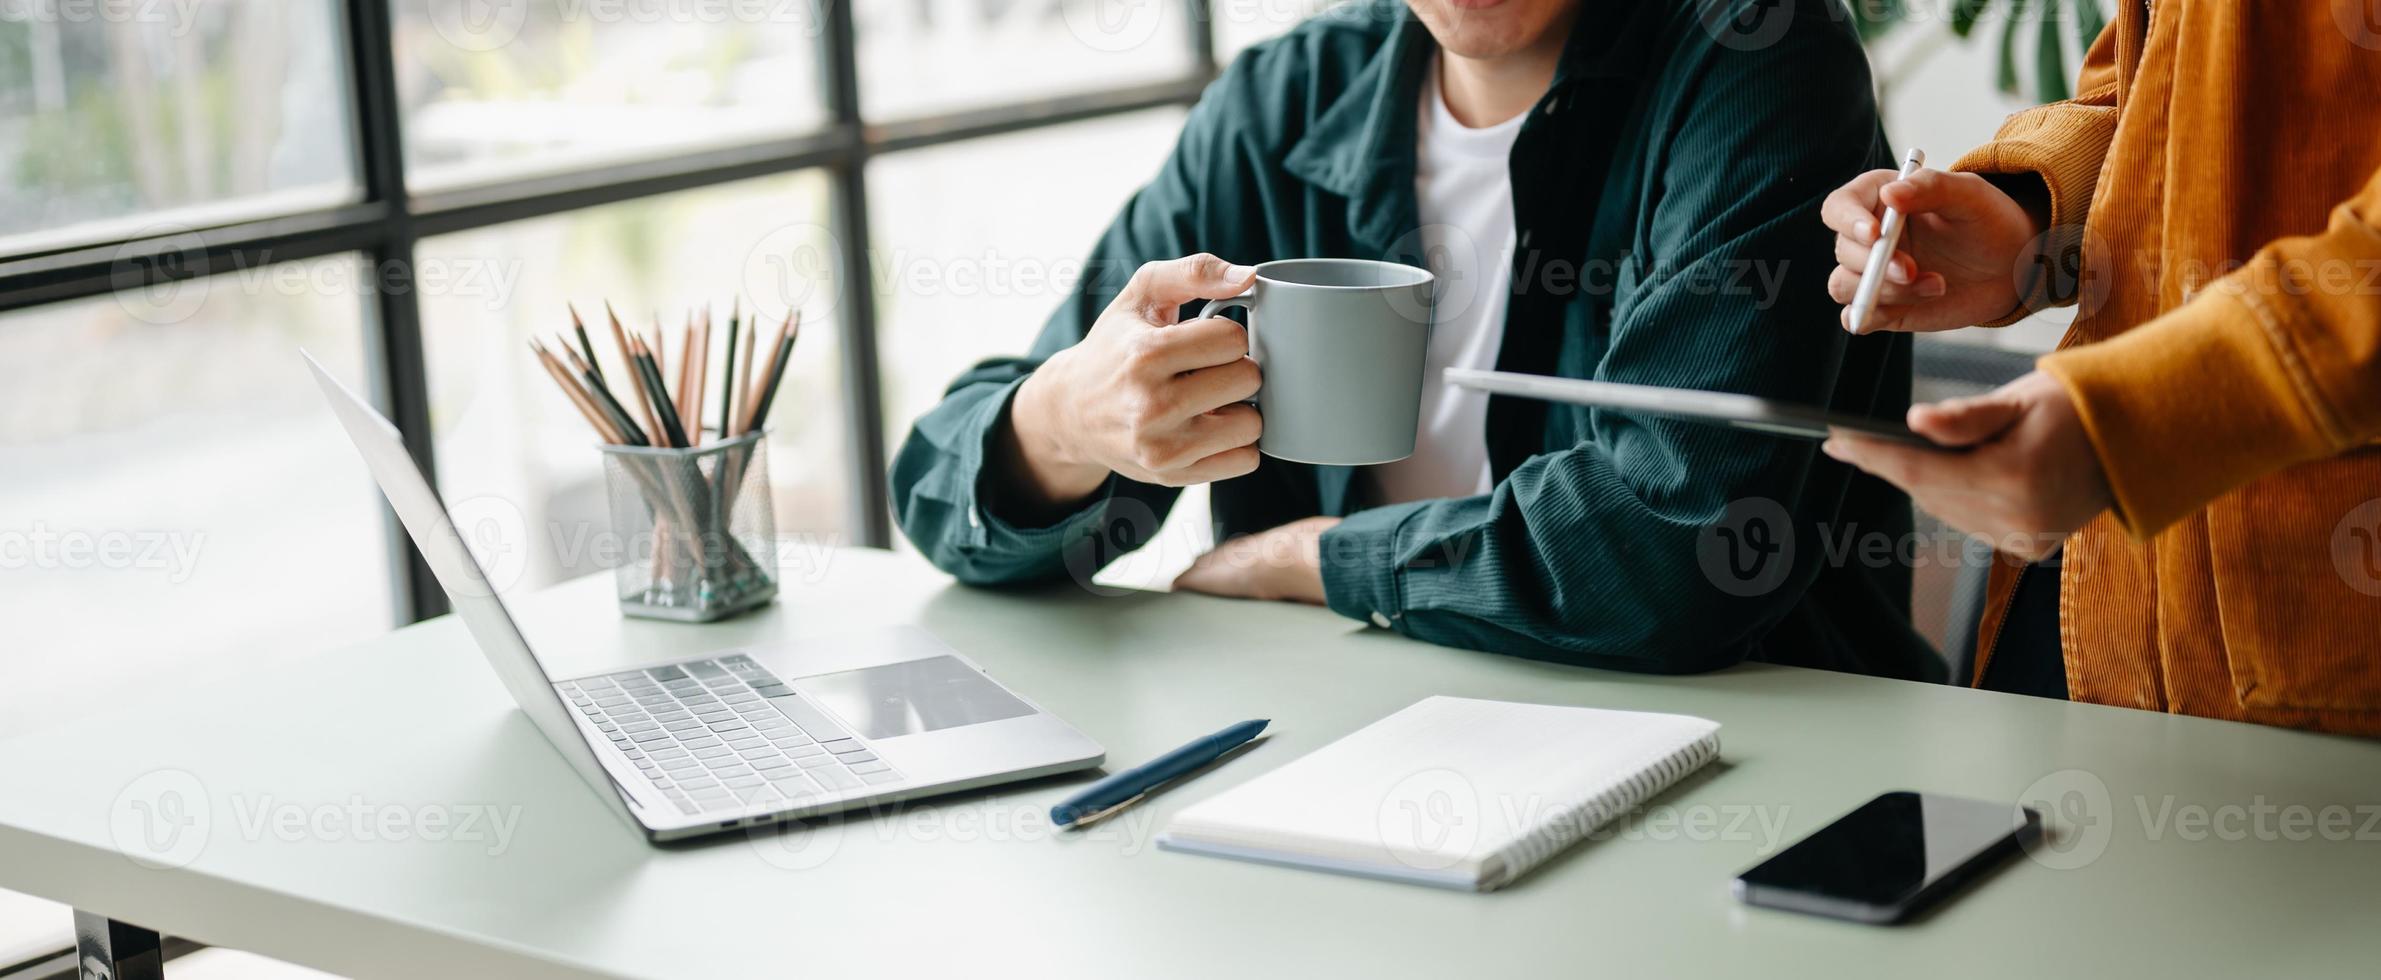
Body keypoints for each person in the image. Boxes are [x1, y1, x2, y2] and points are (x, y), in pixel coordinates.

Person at [892, 0, 1943, 680]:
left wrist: (1315, 559)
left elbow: (1675, 547)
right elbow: (941, 489)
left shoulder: (1753, 55)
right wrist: (1067, 424)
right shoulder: (1283, 103)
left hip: (1741, 743)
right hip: (1337, 723)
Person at [1819, 1, 2381, 732]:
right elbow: (2158, 88)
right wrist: (2028, 219)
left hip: (2310, 639)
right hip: (2095, 601)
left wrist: (2145, 416)